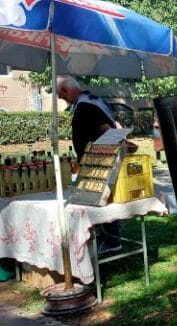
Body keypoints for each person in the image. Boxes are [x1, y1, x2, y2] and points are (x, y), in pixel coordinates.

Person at [56, 76, 133, 254]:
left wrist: (121, 142)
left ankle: (112, 240)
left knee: (99, 203)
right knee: (100, 200)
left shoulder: (85, 106)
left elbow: (105, 128)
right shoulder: (94, 99)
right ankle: (107, 238)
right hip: (100, 157)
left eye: (61, 95)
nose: (62, 99)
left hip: (98, 159)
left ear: (67, 90)